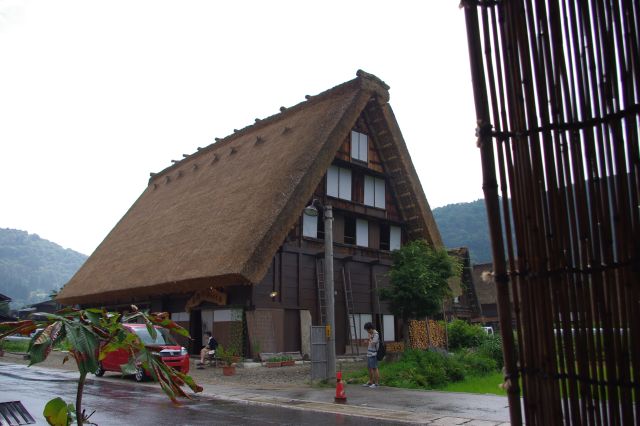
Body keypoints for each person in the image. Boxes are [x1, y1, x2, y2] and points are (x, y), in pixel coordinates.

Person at [362, 322, 380, 388]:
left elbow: (373, 343)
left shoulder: (376, 334)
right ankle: (370, 382)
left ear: (371, 328)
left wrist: (369, 338)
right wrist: (366, 342)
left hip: (373, 353)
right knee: (369, 368)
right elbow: (370, 343)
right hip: (369, 353)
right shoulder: (371, 334)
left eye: (367, 330)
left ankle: (376, 383)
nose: (367, 331)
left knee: (374, 368)